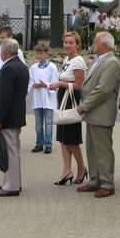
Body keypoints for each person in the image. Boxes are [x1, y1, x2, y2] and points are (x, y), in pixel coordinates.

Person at [76, 31, 120, 198]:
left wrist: (84, 106)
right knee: (92, 149)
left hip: (101, 113)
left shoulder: (112, 63)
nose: (93, 44)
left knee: (103, 150)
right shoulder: (99, 60)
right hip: (93, 112)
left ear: (103, 45)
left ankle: (107, 183)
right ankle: (95, 180)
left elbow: (103, 90)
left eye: (95, 42)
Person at [0, 38, 29, 197]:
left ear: (3, 53)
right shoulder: (21, 66)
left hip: (8, 118)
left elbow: (5, 98)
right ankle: (14, 182)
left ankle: (11, 186)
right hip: (16, 116)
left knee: (10, 151)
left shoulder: (9, 69)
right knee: (14, 150)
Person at [48, 32, 87, 185]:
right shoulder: (67, 59)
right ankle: (66, 170)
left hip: (71, 101)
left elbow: (79, 85)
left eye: (71, 42)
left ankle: (82, 167)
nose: (67, 45)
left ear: (77, 45)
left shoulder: (78, 61)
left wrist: (60, 84)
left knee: (71, 139)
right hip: (63, 99)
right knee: (63, 139)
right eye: (65, 42)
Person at [28, 43, 58, 154]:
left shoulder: (52, 67)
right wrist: (33, 85)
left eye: (41, 53)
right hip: (38, 98)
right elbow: (30, 81)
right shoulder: (33, 67)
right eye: (37, 53)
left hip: (48, 98)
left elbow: (55, 82)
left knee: (48, 122)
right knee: (38, 123)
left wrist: (45, 85)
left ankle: (48, 144)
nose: (39, 55)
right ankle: (39, 143)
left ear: (46, 53)